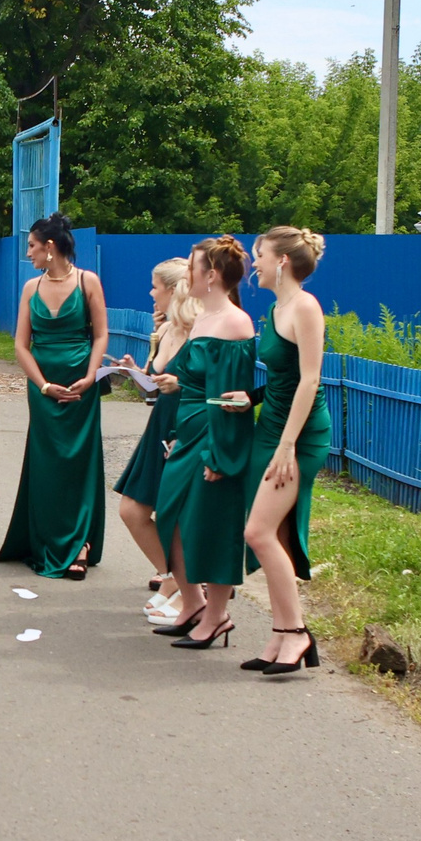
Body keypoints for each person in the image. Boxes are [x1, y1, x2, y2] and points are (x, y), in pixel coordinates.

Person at [148, 237, 257, 649]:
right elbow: (196, 384)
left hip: (213, 438)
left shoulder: (234, 322)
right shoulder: (204, 319)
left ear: (211, 276)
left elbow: (229, 398)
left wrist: (219, 454)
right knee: (170, 518)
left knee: (213, 526)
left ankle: (216, 616)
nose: (186, 277)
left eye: (192, 269)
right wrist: (177, 431)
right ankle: (192, 603)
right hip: (188, 431)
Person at [0, 212, 112, 580]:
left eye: (31, 246)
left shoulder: (87, 281)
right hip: (43, 389)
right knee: (47, 465)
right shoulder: (31, 288)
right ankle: (45, 539)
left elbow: (101, 335)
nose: (27, 254)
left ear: (50, 247)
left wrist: (91, 376)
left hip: (81, 387)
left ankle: (81, 544)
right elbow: (20, 345)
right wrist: (42, 384)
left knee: (79, 463)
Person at [242, 227, 333, 674]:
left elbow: (311, 379)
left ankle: (295, 633)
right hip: (273, 426)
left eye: (259, 255)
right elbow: (282, 377)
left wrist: (287, 445)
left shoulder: (305, 307)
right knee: (271, 534)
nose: (251, 263)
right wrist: (252, 398)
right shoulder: (277, 307)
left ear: (281, 261)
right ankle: (281, 634)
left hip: (300, 436)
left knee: (257, 532)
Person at [109, 258, 200, 626]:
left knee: (174, 515)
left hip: (186, 425)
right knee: (133, 510)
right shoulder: (163, 331)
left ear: (174, 290)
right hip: (160, 422)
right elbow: (156, 385)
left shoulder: (201, 332)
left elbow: (205, 385)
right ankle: (178, 580)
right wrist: (137, 373)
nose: (151, 293)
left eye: (155, 287)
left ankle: (187, 588)